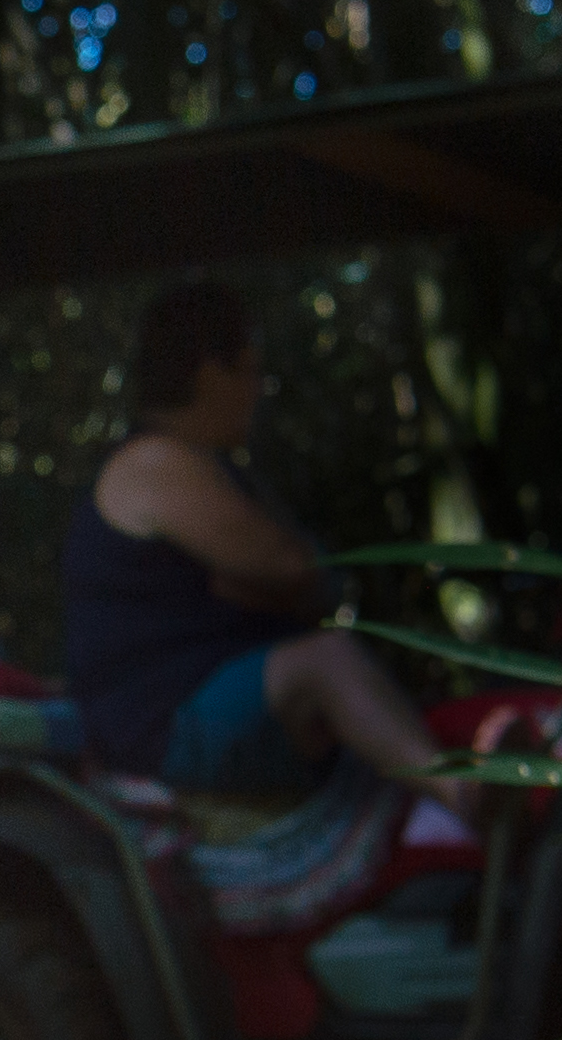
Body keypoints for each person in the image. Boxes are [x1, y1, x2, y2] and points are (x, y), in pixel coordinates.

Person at [64, 280, 477, 818]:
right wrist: (283, 584)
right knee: (327, 661)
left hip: (198, 704)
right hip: (164, 729)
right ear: (211, 376)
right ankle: (459, 795)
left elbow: (293, 582)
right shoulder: (156, 462)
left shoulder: (208, 465)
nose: (260, 390)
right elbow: (291, 568)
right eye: (252, 371)